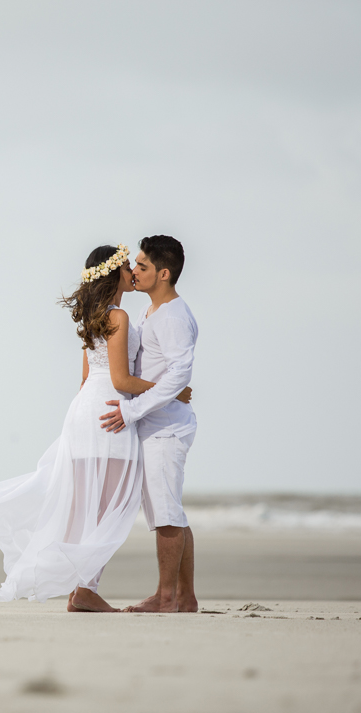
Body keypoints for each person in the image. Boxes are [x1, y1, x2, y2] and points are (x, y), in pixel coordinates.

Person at [0, 243, 191, 612]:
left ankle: (82, 587)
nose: (132, 273)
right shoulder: (119, 316)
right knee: (108, 506)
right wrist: (172, 392)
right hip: (110, 412)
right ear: (113, 274)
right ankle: (85, 588)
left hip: (84, 410)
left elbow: (86, 377)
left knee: (84, 504)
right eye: (127, 267)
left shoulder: (94, 315)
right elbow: (121, 380)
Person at [99, 235, 199, 613]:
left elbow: (179, 376)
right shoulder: (150, 311)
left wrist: (131, 409)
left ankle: (166, 597)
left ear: (164, 273)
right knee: (169, 510)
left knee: (165, 513)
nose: (134, 271)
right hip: (154, 423)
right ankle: (184, 597)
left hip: (166, 427)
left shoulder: (174, 316)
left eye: (141, 266)